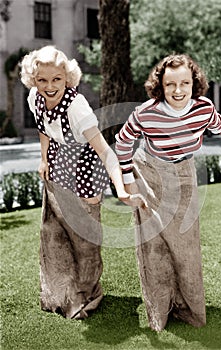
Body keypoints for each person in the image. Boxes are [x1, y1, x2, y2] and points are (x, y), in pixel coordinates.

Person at [115, 53, 221, 331]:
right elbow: (122, 142)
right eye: (170, 85)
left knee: (186, 244)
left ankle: (189, 309)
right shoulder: (146, 113)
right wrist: (129, 181)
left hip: (184, 174)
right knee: (154, 244)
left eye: (185, 84)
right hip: (152, 172)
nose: (178, 91)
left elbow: (218, 123)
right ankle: (160, 311)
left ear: (195, 84)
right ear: (160, 86)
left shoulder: (202, 108)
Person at [20, 45, 145, 320]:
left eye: (57, 80)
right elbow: (43, 128)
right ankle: (59, 295)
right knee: (53, 236)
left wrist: (121, 189)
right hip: (57, 165)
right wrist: (44, 160)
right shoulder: (34, 98)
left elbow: (105, 152)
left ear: (67, 78)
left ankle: (86, 295)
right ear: (33, 80)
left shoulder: (77, 109)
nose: (49, 86)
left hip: (85, 171)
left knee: (85, 242)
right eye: (42, 80)